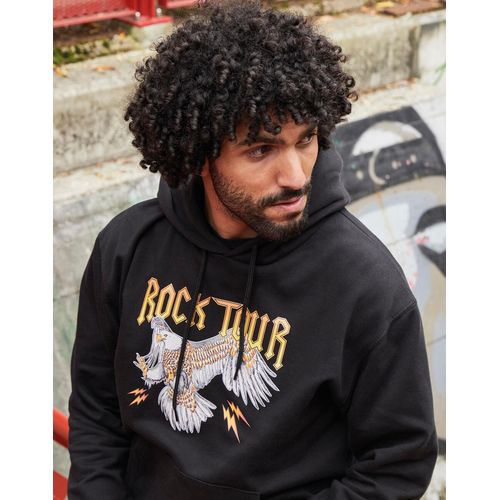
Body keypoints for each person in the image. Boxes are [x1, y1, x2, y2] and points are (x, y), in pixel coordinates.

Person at [68, 1, 438, 498]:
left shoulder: (364, 285)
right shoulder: (127, 247)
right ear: (200, 155)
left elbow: (395, 466)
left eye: (306, 140)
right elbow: (97, 411)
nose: (295, 177)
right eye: (261, 150)